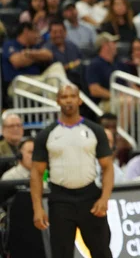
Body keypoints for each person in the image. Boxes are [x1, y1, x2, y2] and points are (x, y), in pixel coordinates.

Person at [30, 84, 113, 258]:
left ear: (79, 100)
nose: (68, 100)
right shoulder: (47, 134)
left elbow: (107, 167)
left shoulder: (95, 130)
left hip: (90, 198)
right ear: (58, 101)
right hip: (60, 200)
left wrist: (104, 198)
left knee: (102, 252)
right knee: (61, 253)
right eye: (64, 97)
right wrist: (37, 208)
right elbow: (36, 173)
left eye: (72, 96)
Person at [1, 22, 53, 90]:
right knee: (52, 86)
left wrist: (28, 53)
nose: (38, 36)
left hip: (36, 81)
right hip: (18, 84)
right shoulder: (10, 44)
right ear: (26, 31)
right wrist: (38, 58)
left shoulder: (34, 46)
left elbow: (49, 55)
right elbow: (17, 62)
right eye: (35, 32)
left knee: (57, 67)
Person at [45, 20, 83, 87]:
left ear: (65, 32)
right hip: (57, 85)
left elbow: (80, 61)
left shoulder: (72, 46)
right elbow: (52, 71)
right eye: (55, 32)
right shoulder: (46, 49)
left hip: (78, 82)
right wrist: (71, 65)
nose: (58, 35)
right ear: (50, 33)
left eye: (61, 32)